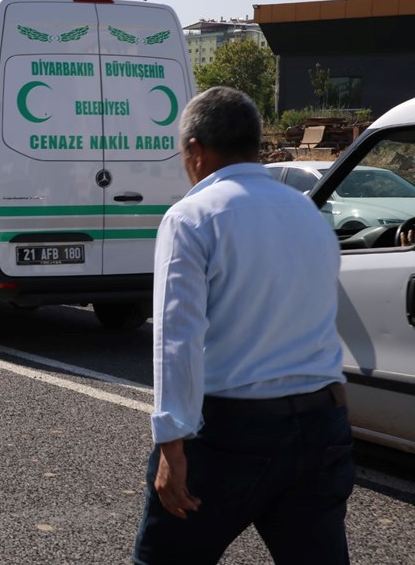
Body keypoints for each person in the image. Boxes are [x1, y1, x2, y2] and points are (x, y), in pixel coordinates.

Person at [132, 86, 353, 565]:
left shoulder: (191, 217)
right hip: (321, 425)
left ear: (195, 151)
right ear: (255, 145)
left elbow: (176, 337)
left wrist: (171, 444)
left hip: (230, 433)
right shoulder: (308, 213)